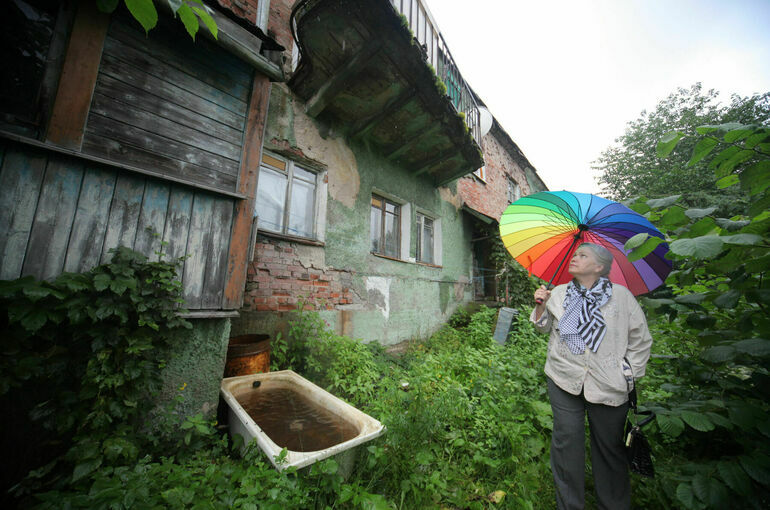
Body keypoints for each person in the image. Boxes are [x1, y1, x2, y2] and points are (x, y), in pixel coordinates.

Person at [531, 242, 653, 510]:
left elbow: (641, 340)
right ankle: (569, 505)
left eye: (582, 255)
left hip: (609, 384)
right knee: (566, 447)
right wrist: (541, 305)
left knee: (609, 449)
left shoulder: (622, 297)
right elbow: (543, 328)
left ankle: (612, 505)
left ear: (599, 266)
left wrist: (626, 374)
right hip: (563, 378)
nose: (574, 258)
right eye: (574, 254)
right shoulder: (560, 293)